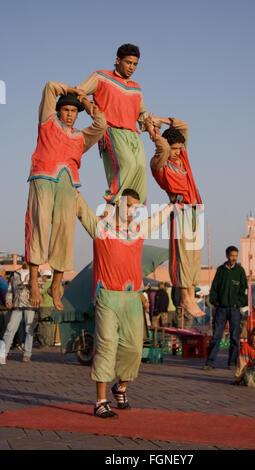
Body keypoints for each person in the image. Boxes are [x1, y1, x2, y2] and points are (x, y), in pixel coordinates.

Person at [76, 188, 173, 418]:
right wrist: (72, 185)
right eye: (129, 205)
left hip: (132, 298)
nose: (133, 211)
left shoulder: (138, 230)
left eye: (136, 207)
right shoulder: (101, 228)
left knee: (133, 349)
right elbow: (81, 210)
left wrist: (172, 206)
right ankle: (100, 401)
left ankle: (120, 388)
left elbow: (157, 220)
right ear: (119, 204)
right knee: (107, 345)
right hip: (107, 296)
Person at [25, 81, 106, 311]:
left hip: (69, 182)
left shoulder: (81, 137)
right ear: (58, 111)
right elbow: (50, 87)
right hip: (43, 176)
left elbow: (101, 125)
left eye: (73, 112)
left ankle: (56, 285)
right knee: (38, 225)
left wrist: (86, 104)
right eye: (66, 110)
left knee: (65, 231)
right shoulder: (47, 123)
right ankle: (33, 281)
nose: (70, 114)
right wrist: (76, 92)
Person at [76, 44, 158, 205]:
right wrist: (88, 105)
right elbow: (79, 91)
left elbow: (141, 115)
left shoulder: (136, 87)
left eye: (135, 64)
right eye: (128, 62)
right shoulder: (101, 77)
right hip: (112, 131)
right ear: (117, 60)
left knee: (140, 168)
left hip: (133, 134)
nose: (132, 67)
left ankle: (134, 209)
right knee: (128, 165)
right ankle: (112, 203)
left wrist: (149, 124)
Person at [147, 116, 204, 318]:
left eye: (180, 148)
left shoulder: (182, 159)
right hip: (179, 209)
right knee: (182, 256)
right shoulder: (159, 163)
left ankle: (191, 293)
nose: (178, 152)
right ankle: (184, 296)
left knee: (194, 255)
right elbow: (162, 146)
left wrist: (158, 119)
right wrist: (153, 131)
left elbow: (183, 126)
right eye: (174, 148)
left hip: (195, 208)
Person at [204, 246, 248, 371]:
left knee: (234, 337)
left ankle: (232, 362)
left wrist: (238, 303)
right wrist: (215, 301)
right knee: (216, 336)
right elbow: (214, 288)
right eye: (232, 255)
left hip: (234, 310)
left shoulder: (240, 271)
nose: (234, 258)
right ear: (227, 255)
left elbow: (244, 290)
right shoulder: (221, 271)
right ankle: (210, 362)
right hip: (221, 309)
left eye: (236, 255)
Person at [2, 262, 35, 363]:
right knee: (10, 329)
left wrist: (30, 286)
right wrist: (8, 300)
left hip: (30, 305)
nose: (26, 262)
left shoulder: (35, 274)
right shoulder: (15, 274)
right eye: (24, 260)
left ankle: (27, 354)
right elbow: (10, 289)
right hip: (17, 305)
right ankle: (3, 353)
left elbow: (40, 290)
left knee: (29, 330)